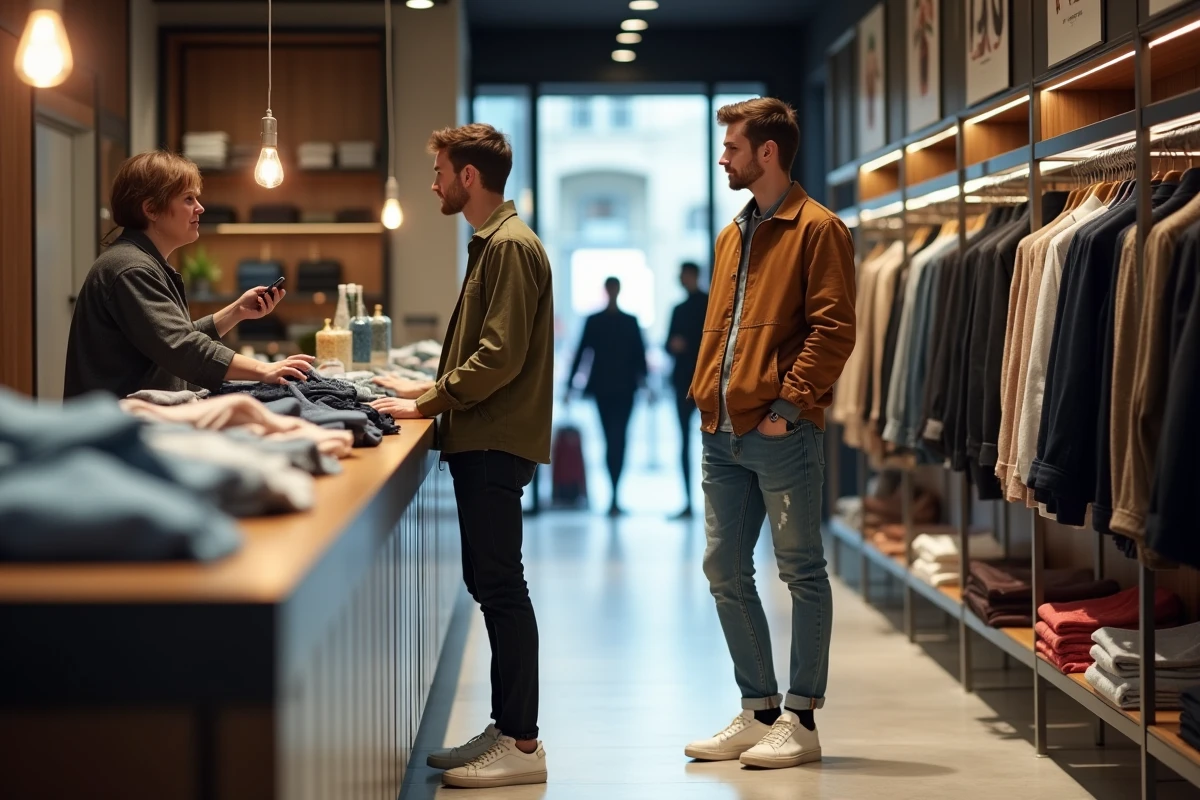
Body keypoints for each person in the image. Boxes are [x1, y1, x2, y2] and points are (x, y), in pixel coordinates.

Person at [368, 123, 553, 790]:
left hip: (493, 439)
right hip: (483, 435)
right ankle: (506, 727)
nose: (434, 184)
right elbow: (487, 350)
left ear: (468, 177)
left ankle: (523, 742)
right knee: (490, 583)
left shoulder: (509, 247)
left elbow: (498, 356)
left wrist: (429, 401)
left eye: (440, 172)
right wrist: (424, 389)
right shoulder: (495, 243)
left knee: (502, 587)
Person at [684, 98, 856, 770]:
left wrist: (787, 406)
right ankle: (758, 709)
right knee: (723, 568)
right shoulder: (733, 233)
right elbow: (723, 329)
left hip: (781, 431)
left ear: (767, 152)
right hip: (721, 429)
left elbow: (833, 329)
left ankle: (801, 718)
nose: (722, 157)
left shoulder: (819, 228)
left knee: (801, 570)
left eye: (732, 147)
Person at [64, 150, 313, 399]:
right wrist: (264, 369)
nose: (200, 208)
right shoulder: (131, 268)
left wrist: (236, 311)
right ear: (151, 209)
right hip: (119, 422)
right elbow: (182, 348)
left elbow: (169, 340)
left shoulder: (140, 262)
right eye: (188, 199)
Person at [565, 277, 648, 516]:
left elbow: (639, 357)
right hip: (610, 389)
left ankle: (614, 494)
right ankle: (614, 495)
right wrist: (570, 386)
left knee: (616, 439)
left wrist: (646, 384)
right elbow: (582, 353)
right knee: (613, 439)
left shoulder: (621, 321)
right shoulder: (605, 321)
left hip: (620, 390)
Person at [665, 261, 708, 519]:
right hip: (683, 382)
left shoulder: (710, 304)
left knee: (712, 443)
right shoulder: (679, 309)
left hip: (705, 381)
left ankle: (712, 501)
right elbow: (668, 344)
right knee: (684, 442)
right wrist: (674, 346)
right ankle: (688, 502)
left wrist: (685, 345)